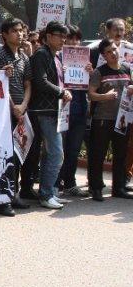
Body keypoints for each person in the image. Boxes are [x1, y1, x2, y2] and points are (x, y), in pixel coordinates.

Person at [0, 17, 33, 215]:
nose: (19, 34)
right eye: (15, 31)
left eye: (21, 30)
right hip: (4, 112)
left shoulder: (23, 57)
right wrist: (14, 107)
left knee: (18, 154)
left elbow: (28, 84)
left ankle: (14, 194)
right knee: (5, 157)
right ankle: (3, 198)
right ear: (5, 35)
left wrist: (23, 106)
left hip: (21, 112)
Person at [27, 21, 72, 210]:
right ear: (49, 36)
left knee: (49, 154)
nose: (63, 40)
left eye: (64, 36)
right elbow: (40, 81)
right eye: (59, 36)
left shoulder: (56, 56)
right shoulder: (42, 54)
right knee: (56, 153)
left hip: (55, 110)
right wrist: (61, 92)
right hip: (44, 111)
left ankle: (48, 192)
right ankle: (46, 194)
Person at [87, 37, 133, 201]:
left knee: (120, 154)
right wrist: (104, 96)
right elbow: (91, 94)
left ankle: (118, 188)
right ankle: (96, 188)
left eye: (114, 49)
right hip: (103, 119)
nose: (113, 53)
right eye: (108, 52)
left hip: (122, 119)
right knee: (98, 154)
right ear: (103, 55)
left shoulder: (127, 69)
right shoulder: (100, 72)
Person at [57, 25, 92, 197]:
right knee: (58, 150)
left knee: (73, 150)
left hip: (79, 110)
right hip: (61, 111)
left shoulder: (86, 60)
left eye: (77, 38)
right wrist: (59, 72)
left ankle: (70, 183)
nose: (74, 42)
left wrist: (91, 73)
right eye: (70, 38)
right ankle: (54, 184)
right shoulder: (56, 58)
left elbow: (92, 87)